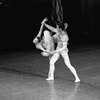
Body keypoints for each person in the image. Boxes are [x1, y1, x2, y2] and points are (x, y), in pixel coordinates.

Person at [42, 18, 80, 82]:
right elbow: (52, 28)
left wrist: (56, 51)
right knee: (51, 62)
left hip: (63, 51)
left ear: (60, 29)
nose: (56, 28)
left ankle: (77, 78)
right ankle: (51, 77)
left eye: (57, 27)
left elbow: (64, 47)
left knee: (68, 64)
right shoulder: (59, 31)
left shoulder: (65, 37)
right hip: (58, 49)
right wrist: (44, 24)